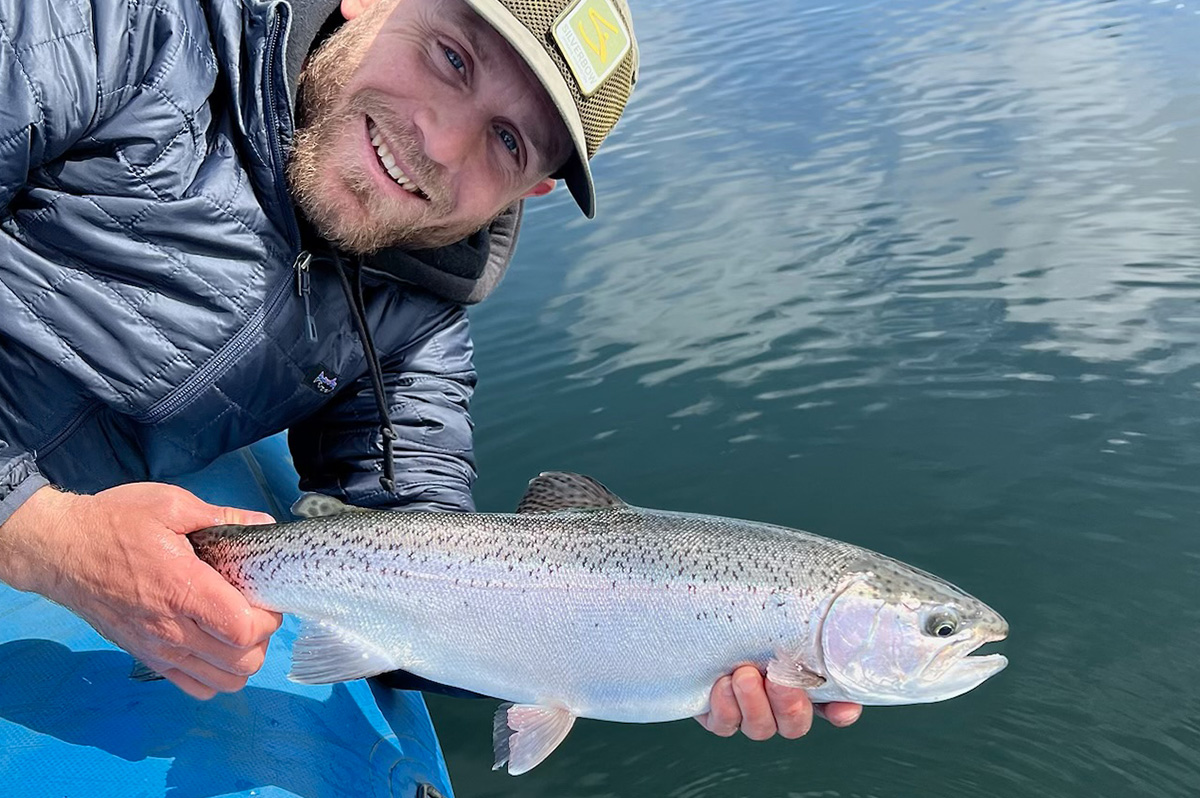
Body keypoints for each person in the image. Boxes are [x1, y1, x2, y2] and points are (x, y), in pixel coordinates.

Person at [0, 0, 861, 741]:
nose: (440, 145)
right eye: (451, 57)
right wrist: (42, 537)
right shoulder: (106, 34)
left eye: (507, 142)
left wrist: (651, 654)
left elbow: (426, 569)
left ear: (533, 193)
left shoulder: (419, 314)